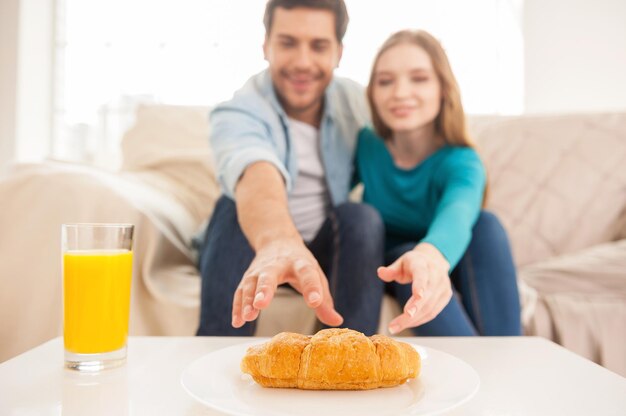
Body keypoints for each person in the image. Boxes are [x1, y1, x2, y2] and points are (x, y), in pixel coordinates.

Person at [196, 0, 385, 336]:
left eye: (318, 46)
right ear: (266, 46)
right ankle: (217, 357)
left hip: (325, 247)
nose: (302, 62)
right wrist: (278, 242)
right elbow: (255, 170)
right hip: (254, 244)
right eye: (287, 43)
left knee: (363, 217)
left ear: (338, 53)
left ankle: (347, 361)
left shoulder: (359, 104)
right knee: (231, 205)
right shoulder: (238, 111)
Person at [355, 29, 522, 336]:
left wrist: (428, 258)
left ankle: (508, 355)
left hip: (446, 256)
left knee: (486, 225)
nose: (400, 93)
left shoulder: (463, 161)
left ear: (443, 89)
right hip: (394, 264)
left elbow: (458, 214)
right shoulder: (366, 144)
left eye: (418, 78)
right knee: (411, 269)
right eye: (385, 81)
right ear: (372, 93)